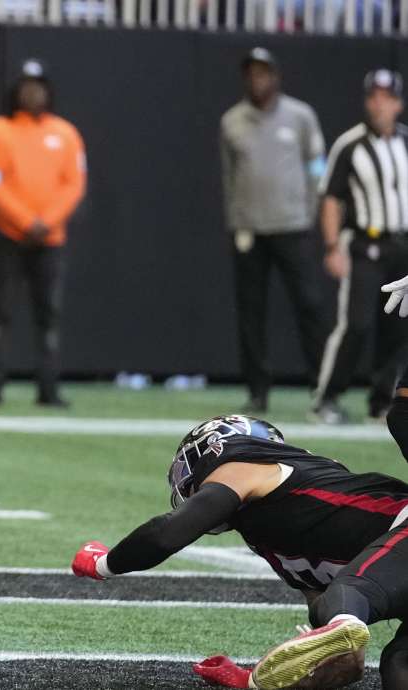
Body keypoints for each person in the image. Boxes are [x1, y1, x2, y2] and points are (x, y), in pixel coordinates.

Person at [70, 414, 408, 689]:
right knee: (398, 664)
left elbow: (166, 534)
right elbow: (346, 663)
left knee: (348, 596)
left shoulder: (247, 464)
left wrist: (103, 564)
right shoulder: (269, 536)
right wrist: (255, 679)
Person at [219, 47, 328, 414]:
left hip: (292, 226)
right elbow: (229, 177)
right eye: (251, 73)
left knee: (310, 306)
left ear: (276, 77)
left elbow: (317, 169)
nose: (257, 79)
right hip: (250, 229)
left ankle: (322, 385)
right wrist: (237, 224)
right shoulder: (232, 121)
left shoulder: (300, 116)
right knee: (251, 313)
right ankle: (257, 390)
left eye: (263, 73)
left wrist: (310, 213)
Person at [0, 58, 86, 408]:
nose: (32, 92)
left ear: (48, 92)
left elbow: (74, 184)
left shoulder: (65, 133)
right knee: (0, 313)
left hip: (49, 240)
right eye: (26, 85)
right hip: (8, 235)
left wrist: (47, 221)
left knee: (48, 316)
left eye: (38, 86)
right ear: (16, 91)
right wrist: (25, 221)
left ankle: (48, 389)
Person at [313, 68, 408, 424]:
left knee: (398, 328)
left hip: (403, 246)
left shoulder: (405, 142)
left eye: (386, 97)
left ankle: (382, 399)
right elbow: (331, 199)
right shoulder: (350, 144)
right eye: (373, 97)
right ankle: (327, 397)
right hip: (367, 245)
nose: (379, 104)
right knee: (357, 324)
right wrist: (333, 245)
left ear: (398, 103)